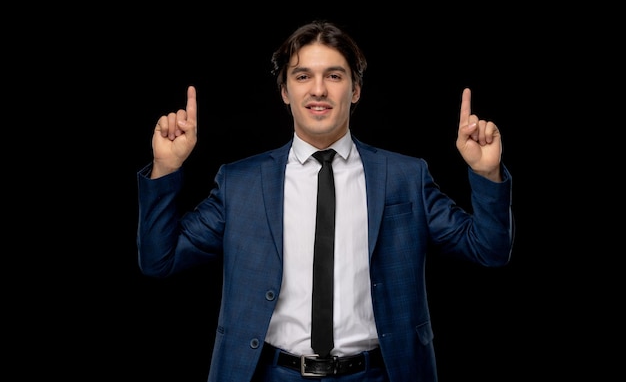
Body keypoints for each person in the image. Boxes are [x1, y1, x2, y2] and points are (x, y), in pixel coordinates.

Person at [136, 19, 514, 382]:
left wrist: (486, 174)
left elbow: (488, 250)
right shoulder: (240, 183)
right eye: (303, 76)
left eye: (334, 75)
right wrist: (165, 169)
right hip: (270, 375)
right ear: (285, 91)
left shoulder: (405, 177)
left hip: (381, 375)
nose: (318, 90)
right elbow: (159, 259)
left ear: (355, 89)